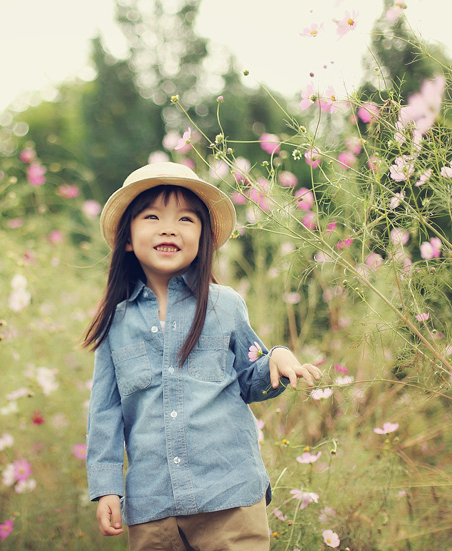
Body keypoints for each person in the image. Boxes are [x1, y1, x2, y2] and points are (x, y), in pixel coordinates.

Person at [83, 162, 322, 551]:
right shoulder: (116, 322)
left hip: (229, 496)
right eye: (152, 217)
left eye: (185, 219)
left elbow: (250, 379)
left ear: (204, 238)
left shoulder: (225, 305)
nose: (168, 228)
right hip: (153, 508)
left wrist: (276, 359)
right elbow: (104, 413)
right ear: (127, 238)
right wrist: (107, 486)